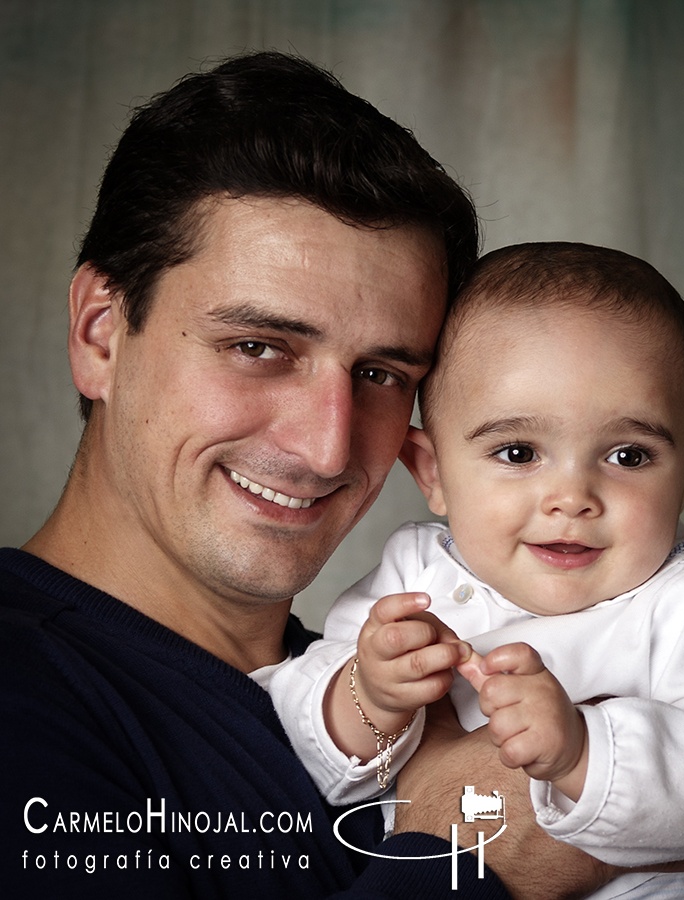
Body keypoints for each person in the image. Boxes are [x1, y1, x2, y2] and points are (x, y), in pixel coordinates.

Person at [0, 52, 628, 900]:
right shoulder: (25, 694)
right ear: (101, 334)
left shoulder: (394, 685)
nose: (329, 449)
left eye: (381, 374)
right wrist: (458, 856)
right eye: (259, 348)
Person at [269, 243, 684, 899]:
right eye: (519, 451)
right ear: (433, 474)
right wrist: (370, 695)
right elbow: (296, 736)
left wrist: (583, 752)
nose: (572, 496)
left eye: (628, 454)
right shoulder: (413, 577)